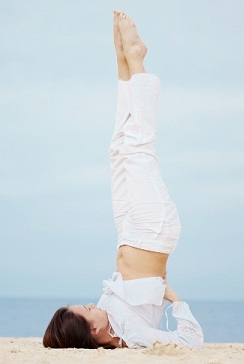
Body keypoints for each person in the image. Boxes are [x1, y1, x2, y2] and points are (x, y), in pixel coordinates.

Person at [43, 11, 204, 349]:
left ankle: (123, 66)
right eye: (87, 311)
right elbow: (191, 341)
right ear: (94, 332)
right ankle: (137, 61)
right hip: (152, 231)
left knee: (118, 149)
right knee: (139, 146)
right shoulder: (132, 333)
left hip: (129, 229)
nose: (91, 305)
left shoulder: (109, 319)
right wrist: (177, 301)